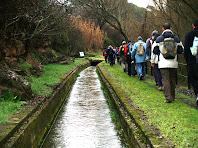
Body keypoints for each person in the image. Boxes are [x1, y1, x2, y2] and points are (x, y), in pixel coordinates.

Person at [153, 23, 183, 103]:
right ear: (171, 28)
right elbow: (180, 50)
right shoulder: (176, 38)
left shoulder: (159, 38)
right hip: (173, 62)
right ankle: (173, 96)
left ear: (163, 29)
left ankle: (168, 97)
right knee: (172, 79)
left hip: (163, 63)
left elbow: (155, 51)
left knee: (165, 80)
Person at [184, 19, 198, 106]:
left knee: (193, 78)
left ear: (193, 25)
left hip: (193, 60)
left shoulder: (189, 34)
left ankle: (197, 94)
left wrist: (187, 60)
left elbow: (186, 48)